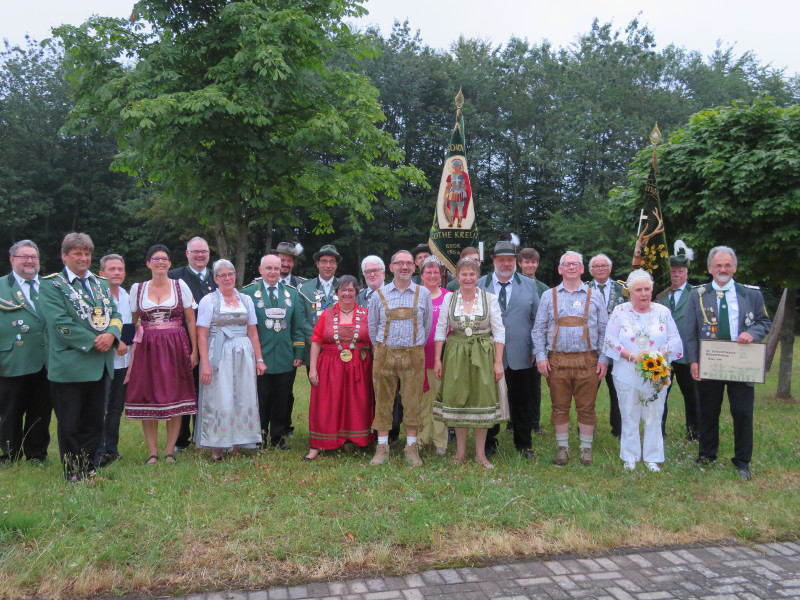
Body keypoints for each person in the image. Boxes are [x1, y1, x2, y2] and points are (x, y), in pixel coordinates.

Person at [39, 232, 122, 480]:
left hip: (99, 364)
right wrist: (96, 341)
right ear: (65, 256)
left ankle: (90, 466)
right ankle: (73, 471)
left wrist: (112, 335)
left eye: (87, 253)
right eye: (77, 253)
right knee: (70, 423)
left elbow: (116, 313)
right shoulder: (51, 285)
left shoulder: (101, 283)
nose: (83, 258)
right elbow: (59, 323)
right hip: (70, 364)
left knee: (94, 421)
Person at [685, 246, 771, 481]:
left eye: (728, 265)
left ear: (735, 267)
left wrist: (752, 333)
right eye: (718, 265)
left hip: (741, 362)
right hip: (710, 361)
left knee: (742, 413)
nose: (723, 269)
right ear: (710, 268)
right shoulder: (698, 294)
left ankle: (742, 461)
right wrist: (693, 361)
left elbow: (764, 321)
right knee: (708, 411)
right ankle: (706, 455)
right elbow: (690, 331)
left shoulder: (751, 294)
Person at [533, 251, 608, 466]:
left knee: (587, 407)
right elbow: (538, 330)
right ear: (560, 269)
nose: (572, 267)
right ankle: (562, 448)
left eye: (576, 264)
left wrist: (603, 359)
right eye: (567, 264)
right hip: (557, 361)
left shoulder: (595, 296)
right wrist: (540, 357)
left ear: (583, 269)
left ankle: (586, 449)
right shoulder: (549, 295)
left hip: (588, 360)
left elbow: (604, 330)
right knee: (559, 406)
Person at [603, 270, 683, 472]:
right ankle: (630, 456)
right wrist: (630, 355)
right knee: (629, 414)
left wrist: (658, 354)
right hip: (626, 372)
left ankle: (652, 457)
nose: (643, 293)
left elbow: (675, 340)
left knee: (654, 415)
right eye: (638, 290)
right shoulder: (620, 311)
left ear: (652, 290)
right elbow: (610, 340)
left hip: (656, 372)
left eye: (647, 289)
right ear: (630, 292)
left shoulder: (662, 312)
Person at [125, 245, 198, 464]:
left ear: (169, 263)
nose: (160, 262)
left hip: (175, 345)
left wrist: (194, 351)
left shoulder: (179, 286)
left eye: (164, 259)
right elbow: (132, 321)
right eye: (155, 259)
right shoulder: (137, 288)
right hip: (147, 347)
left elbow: (190, 320)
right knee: (149, 396)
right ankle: (152, 452)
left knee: (175, 395)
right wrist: (129, 351)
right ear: (148, 263)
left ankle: (169, 451)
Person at [434, 257, 505, 467]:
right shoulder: (450, 299)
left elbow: (499, 330)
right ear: (457, 277)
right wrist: (438, 360)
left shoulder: (489, 298)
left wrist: (498, 361)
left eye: (472, 274)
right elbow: (440, 329)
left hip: (483, 353)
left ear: (478, 277)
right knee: (458, 399)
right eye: (463, 274)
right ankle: (460, 452)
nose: (467, 278)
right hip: (455, 352)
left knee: (481, 400)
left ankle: (481, 454)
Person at [368, 249, 433, 466]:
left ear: (415, 267)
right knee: (383, 402)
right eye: (399, 263)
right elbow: (372, 328)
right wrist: (381, 353)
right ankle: (382, 446)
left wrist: (414, 347)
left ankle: (412, 447)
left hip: (414, 354)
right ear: (391, 267)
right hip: (385, 354)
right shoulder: (379, 295)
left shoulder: (423, 294)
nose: (404, 267)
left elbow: (427, 326)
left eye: (408, 263)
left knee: (413, 402)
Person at [196, 260, 265, 460]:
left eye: (230, 274)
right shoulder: (209, 301)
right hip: (219, 351)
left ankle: (238, 443)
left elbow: (253, 333)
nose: (227, 278)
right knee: (220, 396)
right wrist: (206, 365)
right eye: (222, 275)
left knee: (243, 395)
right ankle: (217, 445)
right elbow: (202, 335)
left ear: (235, 276)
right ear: (216, 279)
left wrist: (259, 359)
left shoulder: (246, 300)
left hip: (244, 351)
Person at [478, 240, 540, 459]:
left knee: (522, 400)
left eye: (510, 260)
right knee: (489, 399)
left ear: (516, 261)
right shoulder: (479, 284)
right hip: (487, 353)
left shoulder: (530, 285)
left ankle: (523, 443)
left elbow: (537, 320)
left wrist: (536, 348)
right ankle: (488, 442)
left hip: (521, 352)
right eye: (501, 259)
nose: (506, 264)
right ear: (494, 261)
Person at [305, 275, 376, 460]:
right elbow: (316, 342)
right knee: (327, 404)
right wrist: (313, 369)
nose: (346, 293)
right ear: (337, 292)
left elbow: (375, 342)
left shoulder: (367, 315)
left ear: (356, 293)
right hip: (329, 366)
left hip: (359, 366)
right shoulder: (327, 314)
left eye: (351, 290)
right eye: (343, 290)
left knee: (357, 403)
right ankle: (318, 444)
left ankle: (352, 440)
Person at [241, 254, 306, 450]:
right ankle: (258, 436)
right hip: (260, 357)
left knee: (282, 398)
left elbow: (298, 327)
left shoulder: (292, 294)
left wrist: (299, 353)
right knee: (260, 398)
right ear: (260, 270)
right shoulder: (248, 294)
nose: (273, 272)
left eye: (276, 269)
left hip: (286, 357)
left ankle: (278, 437)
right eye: (268, 268)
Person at [0, 240, 51, 466]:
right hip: (13, 359)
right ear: (12, 260)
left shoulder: (50, 287)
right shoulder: (2, 286)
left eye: (34, 257)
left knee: (41, 412)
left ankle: (36, 454)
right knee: (11, 411)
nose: (29, 261)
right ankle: (8, 455)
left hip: (46, 360)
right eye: (24, 256)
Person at [169, 236, 217, 451]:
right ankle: (180, 440)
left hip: (213, 345)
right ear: (187, 253)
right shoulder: (174, 278)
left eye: (204, 251)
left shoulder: (218, 277)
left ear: (209, 254)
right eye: (195, 251)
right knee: (183, 392)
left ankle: (203, 435)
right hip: (181, 345)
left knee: (206, 391)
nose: (200, 255)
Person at [656, 241, 701, 440]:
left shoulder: (697, 294)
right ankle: (658, 431)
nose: (676, 274)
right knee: (660, 395)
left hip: (687, 354)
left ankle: (694, 432)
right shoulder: (659, 294)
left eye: (679, 271)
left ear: (686, 273)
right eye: (672, 271)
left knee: (692, 395)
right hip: (663, 355)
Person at [95, 254, 133, 467]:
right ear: (101, 273)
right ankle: (98, 450)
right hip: (103, 361)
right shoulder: (95, 297)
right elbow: (97, 328)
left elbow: (130, 328)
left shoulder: (127, 296)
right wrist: (115, 341)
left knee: (116, 408)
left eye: (120, 269)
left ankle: (112, 449)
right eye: (111, 269)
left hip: (124, 363)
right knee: (102, 407)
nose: (116, 272)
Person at [587, 253, 626, 438]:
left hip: (618, 351)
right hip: (592, 350)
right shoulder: (584, 289)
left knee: (618, 390)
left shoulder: (623, 290)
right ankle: (586, 428)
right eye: (596, 266)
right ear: (590, 270)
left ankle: (618, 429)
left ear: (610, 269)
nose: (600, 269)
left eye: (604, 266)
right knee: (587, 392)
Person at [272, 241, 306, 435]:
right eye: (281, 260)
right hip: (267, 346)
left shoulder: (302, 285)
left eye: (288, 261)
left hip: (289, 346)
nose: (284, 264)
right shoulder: (260, 282)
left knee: (286, 390)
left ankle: (285, 426)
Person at [418, 256, 451, 454]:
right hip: (418, 360)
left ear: (441, 275)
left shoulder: (449, 296)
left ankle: (440, 441)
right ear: (421, 275)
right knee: (421, 401)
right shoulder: (415, 296)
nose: (432, 275)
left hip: (442, 359)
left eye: (436, 272)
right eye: (428, 272)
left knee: (440, 400)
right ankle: (421, 438)